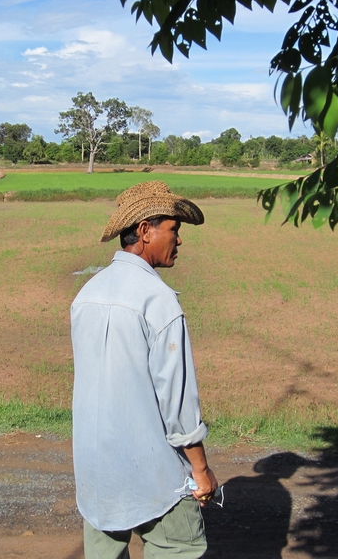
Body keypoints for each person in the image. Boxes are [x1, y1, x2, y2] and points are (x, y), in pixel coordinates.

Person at [71, 180, 218, 558]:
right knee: (179, 547)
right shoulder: (159, 301)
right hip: (154, 472)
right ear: (145, 230)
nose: (179, 240)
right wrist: (200, 470)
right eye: (174, 229)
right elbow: (179, 406)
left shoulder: (87, 294)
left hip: (96, 471)